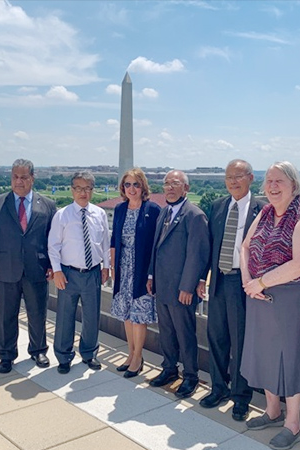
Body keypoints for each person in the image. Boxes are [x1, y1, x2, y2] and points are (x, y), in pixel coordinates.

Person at [240, 161, 300, 450]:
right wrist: (248, 281)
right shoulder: (265, 212)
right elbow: (245, 247)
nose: (273, 186)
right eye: (269, 181)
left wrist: (260, 282)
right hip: (260, 295)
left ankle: (293, 423)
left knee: (292, 356)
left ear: (293, 185)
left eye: (279, 181)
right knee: (264, 352)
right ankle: (272, 410)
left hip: (295, 297)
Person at [197, 159, 265, 421]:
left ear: (250, 178)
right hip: (219, 281)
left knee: (241, 341)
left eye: (238, 176)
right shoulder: (217, 207)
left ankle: (240, 396)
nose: (233, 181)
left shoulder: (262, 209)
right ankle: (218, 389)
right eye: (228, 177)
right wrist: (202, 278)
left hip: (243, 283)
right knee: (216, 337)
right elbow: (209, 246)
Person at [0, 159, 57, 374]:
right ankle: (6, 355)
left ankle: (39, 350)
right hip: (5, 269)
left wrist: (53, 265)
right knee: (6, 315)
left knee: (37, 314)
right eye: (15, 176)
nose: (19, 181)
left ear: (32, 178)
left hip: (37, 269)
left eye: (24, 177)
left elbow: (52, 239)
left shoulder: (48, 205)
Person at [146, 170, 209, 399]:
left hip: (181, 289)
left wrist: (187, 287)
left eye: (175, 183)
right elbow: (157, 247)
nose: (170, 187)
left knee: (185, 334)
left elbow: (197, 255)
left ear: (186, 188)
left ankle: (190, 375)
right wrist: (151, 276)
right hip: (162, 284)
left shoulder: (195, 215)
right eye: (166, 183)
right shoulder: (163, 212)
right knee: (166, 332)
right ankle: (169, 369)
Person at [48, 171, 110, 374]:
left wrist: (106, 266)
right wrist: (57, 271)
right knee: (65, 315)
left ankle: (89, 353)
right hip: (68, 272)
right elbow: (53, 245)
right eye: (78, 188)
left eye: (87, 188)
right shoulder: (62, 214)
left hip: (92, 272)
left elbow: (105, 243)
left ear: (93, 190)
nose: (83, 193)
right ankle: (64, 356)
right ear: (72, 190)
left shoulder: (99, 214)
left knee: (92, 316)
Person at [110, 168, 161, 378]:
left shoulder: (153, 210)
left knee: (139, 315)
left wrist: (151, 275)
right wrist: (114, 267)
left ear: (143, 187)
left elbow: (156, 245)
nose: (132, 189)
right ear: (123, 188)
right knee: (126, 315)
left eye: (136, 184)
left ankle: (138, 357)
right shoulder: (120, 209)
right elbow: (114, 240)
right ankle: (130, 354)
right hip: (123, 268)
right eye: (127, 185)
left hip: (141, 269)